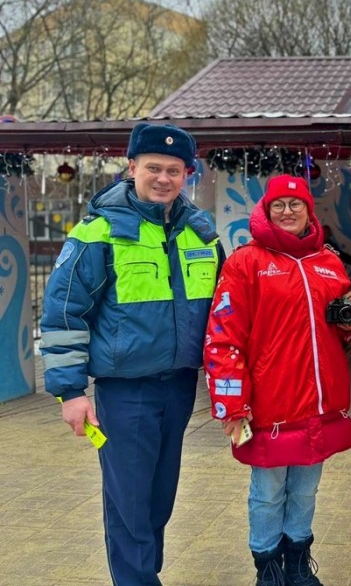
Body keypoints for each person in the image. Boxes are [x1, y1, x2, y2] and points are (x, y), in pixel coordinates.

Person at [40, 122, 225, 585]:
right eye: (153, 168)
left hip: (181, 388)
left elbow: (229, 308)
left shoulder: (202, 234)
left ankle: (145, 573)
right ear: (132, 168)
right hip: (126, 393)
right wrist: (70, 392)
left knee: (159, 497)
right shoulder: (98, 231)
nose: (163, 178)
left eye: (174, 170)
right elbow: (64, 312)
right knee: (129, 499)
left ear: (187, 174)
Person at [204, 174, 351, 586]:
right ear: (267, 211)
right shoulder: (246, 262)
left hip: (320, 406)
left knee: (305, 492)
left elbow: (341, 330)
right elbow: (223, 338)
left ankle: (298, 565)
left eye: (296, 205)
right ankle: (268, 568)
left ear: (309, 211)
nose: (287, 212)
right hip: (269, 406)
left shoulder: (328, 262)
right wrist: (231, 405)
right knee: (268, 493)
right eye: (279, 206)